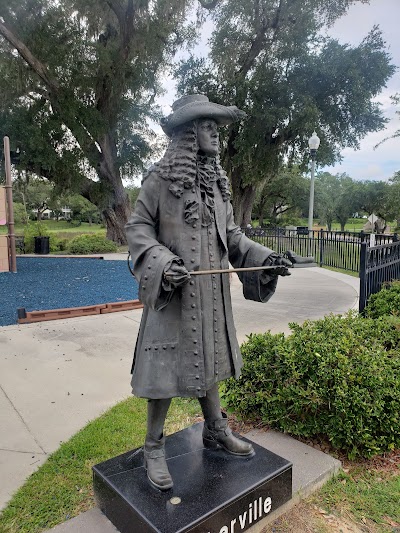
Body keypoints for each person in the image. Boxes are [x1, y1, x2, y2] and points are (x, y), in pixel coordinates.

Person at [125, 94, 291, 491]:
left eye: (216, 125)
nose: (215, 131)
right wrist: (163, 262)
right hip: (173, 292)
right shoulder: (159, 180)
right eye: (207, 124)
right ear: (187, 133)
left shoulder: (217, 185)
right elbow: (137, 229)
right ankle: (153, 446)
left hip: (212, 294)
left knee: (211, 360)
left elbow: (232, 235)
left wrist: (265, 258)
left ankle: (215, 430)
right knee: (163, 371)